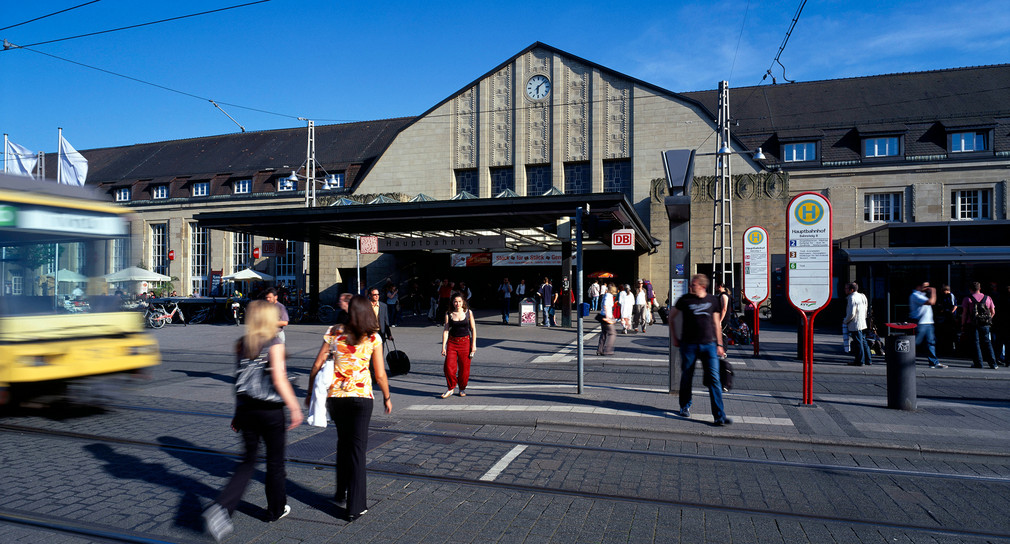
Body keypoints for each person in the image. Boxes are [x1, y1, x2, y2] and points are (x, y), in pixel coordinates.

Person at [203, 300, 303, 542]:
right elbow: (279, 379)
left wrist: (238, 413)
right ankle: (275, 509)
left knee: (248, 462)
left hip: (247, 409)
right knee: (275, 462)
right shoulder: (274, 342)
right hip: (270, 411)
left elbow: (239, 382)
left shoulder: (242, 344)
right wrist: (295, 406)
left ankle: (222, 508)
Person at [306, 295, 392, 522]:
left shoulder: (334, 331)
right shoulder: (373, 337)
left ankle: (341, 490)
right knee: (357, 451)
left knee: (343, 443)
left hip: (336, 398)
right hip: (361, 398)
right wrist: (387, 396)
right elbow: (380, 374)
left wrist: (309, 393)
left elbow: (316, 365)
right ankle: (355, 507)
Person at [669, 274, 732, 426]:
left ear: (702, 286)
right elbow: (672, 317)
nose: (691, 287)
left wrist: (719, 344)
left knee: (714, 379)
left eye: (694, 285)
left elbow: (716, 323)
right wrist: (675, 337)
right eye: (691, 284)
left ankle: (719, 416)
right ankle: (684, 406)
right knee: (687, 377)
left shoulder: (712, 300)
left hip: (709, 345)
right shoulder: (685, 300)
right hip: (688, 345)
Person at [441, 292, 476, 398]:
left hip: (465, 342)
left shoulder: (468, 313)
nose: (457, 304)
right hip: (452, 342)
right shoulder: (449, 313)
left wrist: (473, 345)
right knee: (448, 367)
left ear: (463, 302)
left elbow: (473, 329)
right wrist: (443, 346)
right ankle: (451, 388)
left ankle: (462, 388)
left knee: (464, 368)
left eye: (459, 301)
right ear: (452, 302)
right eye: (455, 301)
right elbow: (446, 330)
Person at [909, 281, 947, 368]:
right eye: (924, 287)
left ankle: (933, 362)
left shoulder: (921, 295)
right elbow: (931, 302)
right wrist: (933, 291)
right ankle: (903, 358)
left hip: (928, 322)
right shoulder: (915, 295)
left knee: (931, 343)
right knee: (915, 343)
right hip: (921, 323)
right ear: (918, 286)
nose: (927, 288)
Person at [961, 281, 998, 369]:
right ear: (980, 288)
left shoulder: (967, 299)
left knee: (975, 343)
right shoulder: (988, 298)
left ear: (970, 289)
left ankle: (979, 363)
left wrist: (963, 325)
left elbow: (964, 314)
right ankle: (993, 364)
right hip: (985, 325)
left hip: (973, 324)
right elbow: (993, 312)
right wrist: (987, 320)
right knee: (987, 343)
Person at [843, 282, 872, 366]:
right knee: (863, 341)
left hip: (855, 323)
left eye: (846, 288)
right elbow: (866, 308)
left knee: (858, 342)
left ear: (851, 290)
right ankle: (868, 359)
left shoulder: (852, 298)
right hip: (862, 321)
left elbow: (851, 313)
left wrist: (845, 321)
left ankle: (859, 361)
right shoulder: (862, 296)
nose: (845, 290)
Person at [935, 284, 959, 357]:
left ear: (947, 290)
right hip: (947, 316)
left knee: (952, 333)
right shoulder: (944, 296)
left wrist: (951, 312)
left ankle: (953, 349)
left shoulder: (951, 295)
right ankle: (946, 349)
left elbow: (954, 305)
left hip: (951, 316)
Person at [596, 283, 618, 356]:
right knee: (613, 333)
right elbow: (606, 305)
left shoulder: (606, 295)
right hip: (606, 317)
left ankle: (600, 350)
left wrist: (611, 316)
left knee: (604, 334)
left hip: (604, 316)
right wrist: (608, 317)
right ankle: (608, 350)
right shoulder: (609, 296)